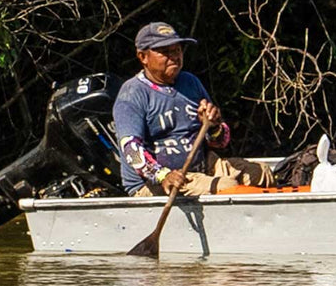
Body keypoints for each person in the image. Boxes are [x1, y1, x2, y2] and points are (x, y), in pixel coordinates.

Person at [113, 20, 277, 197]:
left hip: (203, 166)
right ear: (143, 57)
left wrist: (214, 126)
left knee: (262, 173)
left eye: (177, 50)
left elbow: (220, 142)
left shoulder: (190, 82)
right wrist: (162, 175)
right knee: (228, 187)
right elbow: (130, 149)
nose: (174, 56)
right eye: (165, 52)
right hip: (156, 182)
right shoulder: (132, 94)